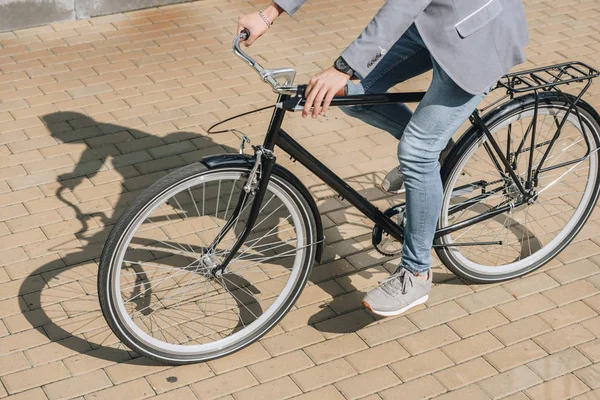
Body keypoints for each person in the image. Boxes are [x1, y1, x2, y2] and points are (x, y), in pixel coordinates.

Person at [237, 0, 529, 316]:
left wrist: (342, 68)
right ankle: (438, 156)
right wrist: (269, 13)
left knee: (416, 152)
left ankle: (416, 274)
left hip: (478, 33)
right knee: (355, 96)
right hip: (432, 22)